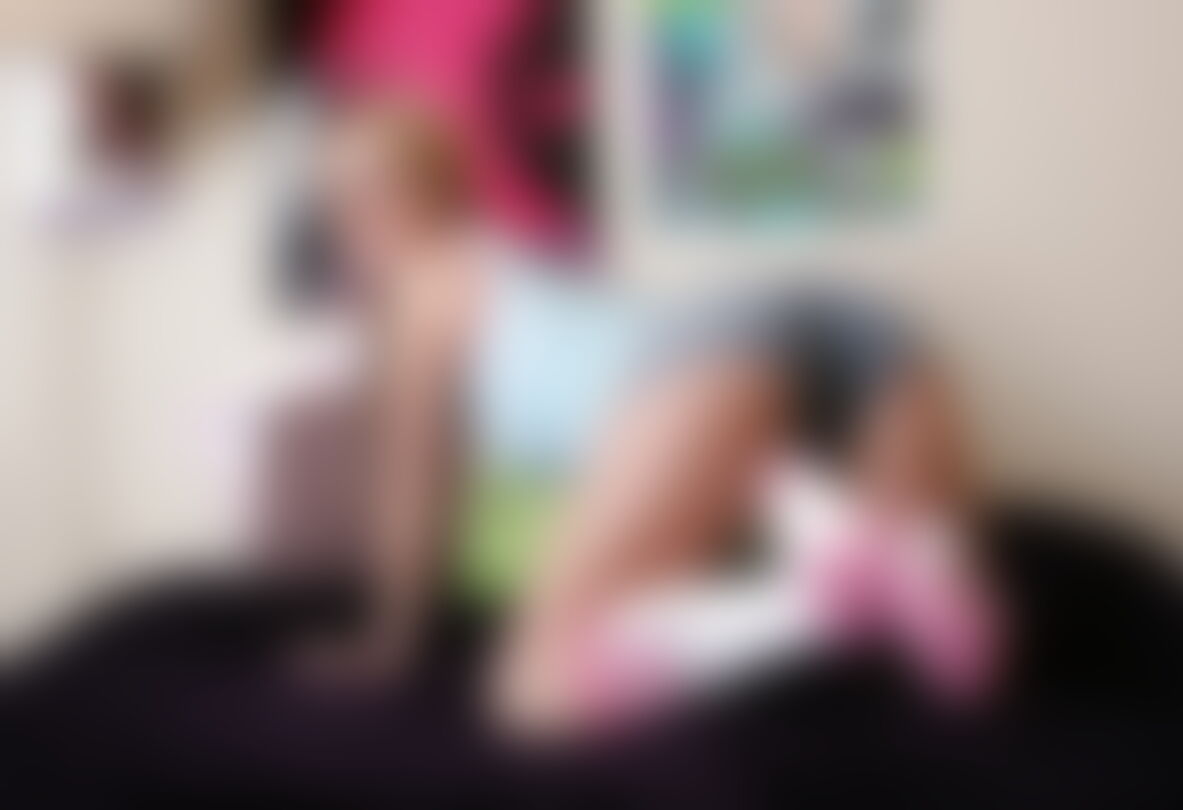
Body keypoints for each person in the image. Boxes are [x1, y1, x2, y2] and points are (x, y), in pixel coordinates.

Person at [300, 95, 994, 740]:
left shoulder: (422, 290)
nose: (342, 228)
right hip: (851, 328)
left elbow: (411, 484)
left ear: (381, 207)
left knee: (530, 692)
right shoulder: (527, 264)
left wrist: (388, 641)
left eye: (346, 203)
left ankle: (816, 604)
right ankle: (840, 535)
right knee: (956, 661)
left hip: (710, 359)